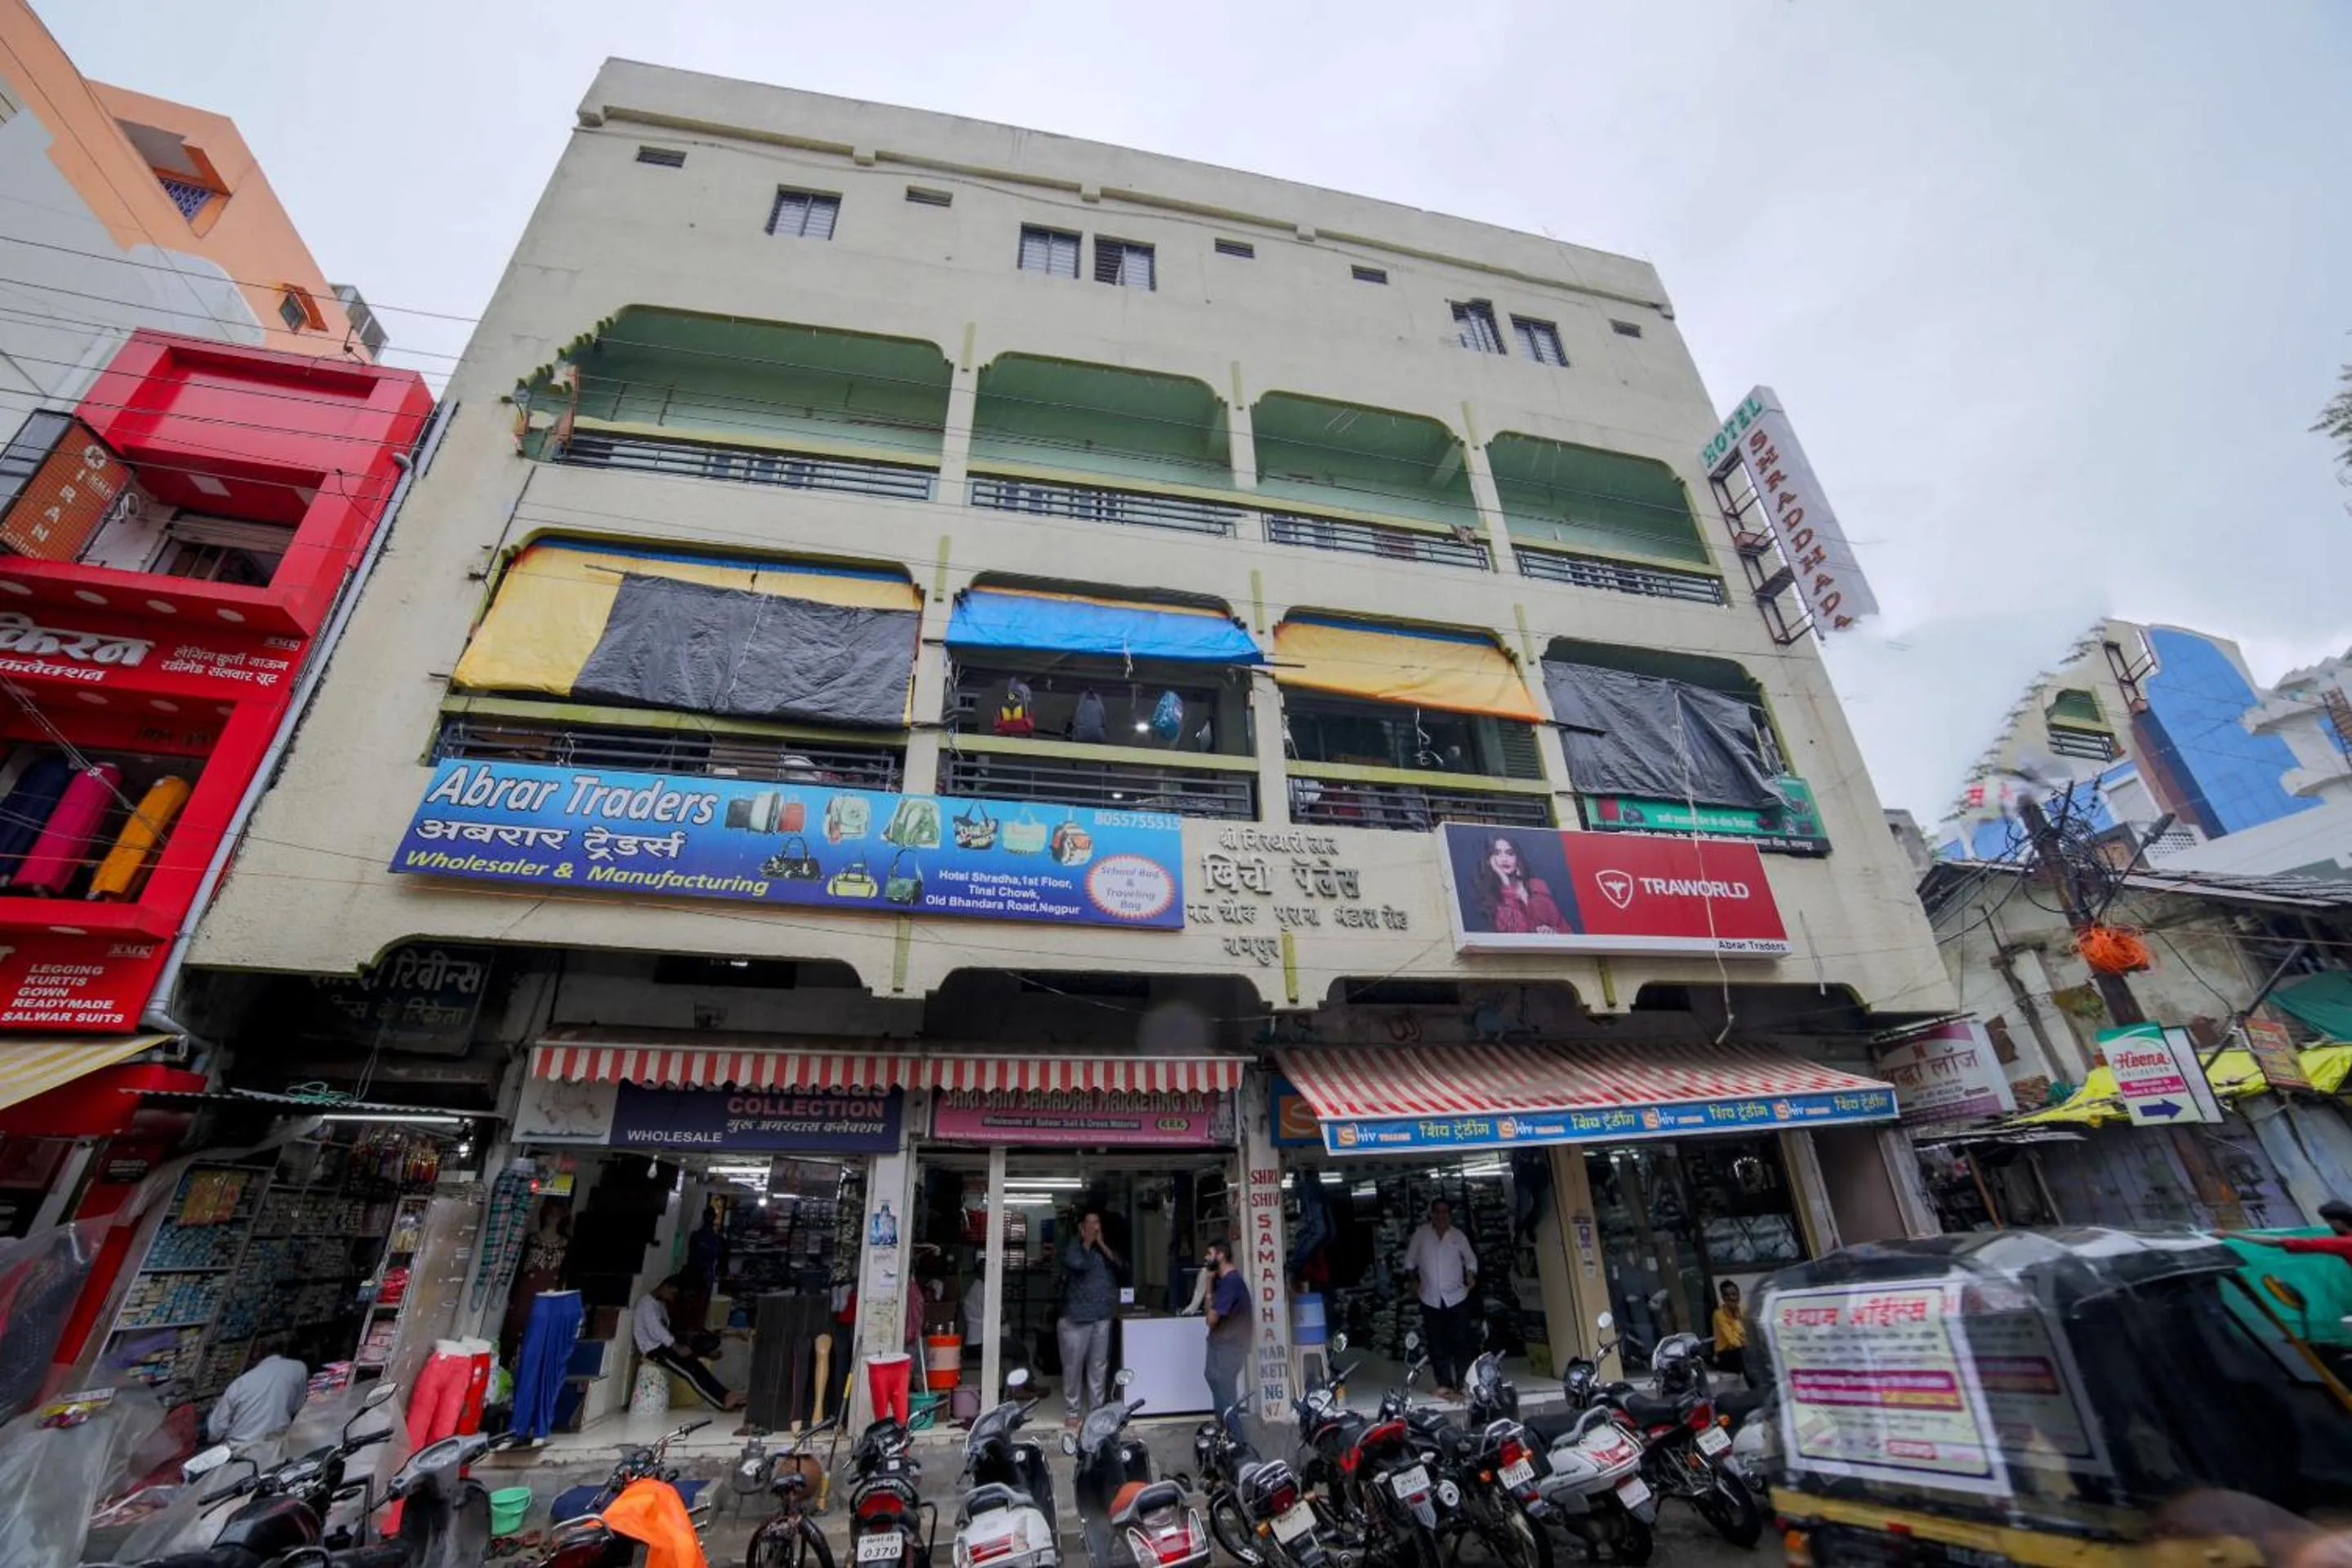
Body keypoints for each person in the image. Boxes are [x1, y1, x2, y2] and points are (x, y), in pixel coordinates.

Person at [1401, 1198, 1478, 1398]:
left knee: (1461, 1342)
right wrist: (1413, 1281)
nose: (1441, 1216)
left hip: (1457, 1298)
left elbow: (1471, 1260)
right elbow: (1409, 1262)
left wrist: (1470, 1275)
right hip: (1430, 1298)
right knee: (1437, 1343)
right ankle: (1444, 1383)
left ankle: (1463, 1383)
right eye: (1437, 1212)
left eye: (1444, 1212)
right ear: (1431, 1214)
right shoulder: (1421, 1235)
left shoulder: (1457, 1236)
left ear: (1449, 1215)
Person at [635, 1274, 745, 1411]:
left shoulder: (658, 1305)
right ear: (666, 1287)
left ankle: (726, 1394)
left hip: (664, 1346)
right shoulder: (646, 1304)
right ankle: (721, 1403)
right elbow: (656, 1330)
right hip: (655, 1350)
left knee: (697, 1366)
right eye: (672, 1294)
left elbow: (667, 1328)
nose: (672, 1298)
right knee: (690, 1373)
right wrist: (675, 1346)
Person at [1058, 1209, 1120, 1419]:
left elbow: (1120, 1267)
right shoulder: (1074, 1248)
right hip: (1077, 1318)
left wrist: (1101, 1244)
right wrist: (1087, 1242)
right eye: (1090, 1223)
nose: (1095, 1227)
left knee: (1098, 1367)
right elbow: (1078, 1265)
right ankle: (1072, 1412)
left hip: (1101, 1316)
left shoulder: (1103, 1250)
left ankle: (1096, 1411)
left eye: (1098, 1223)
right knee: (1073, 1367)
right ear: (1081, 1227)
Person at [1466, 835, 1570, 935]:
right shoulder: (1489, 895)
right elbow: (1516, 930)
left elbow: (1566, 931)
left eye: (1510, 853)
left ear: (1517, 858)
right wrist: (1505, 882)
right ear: (1490, 860)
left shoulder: (1537, 886)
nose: (1504, 859)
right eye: (1497, 853)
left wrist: (1552, 932)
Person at [208, 1348, 308, 1450]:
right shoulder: (298, 1368)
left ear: (254, 1358)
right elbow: (298, 1407)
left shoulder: (240, 1384)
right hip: (277, 1443)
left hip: (239, 1449)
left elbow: (215, 1433)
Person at [1201, 1241, 1251, 1441]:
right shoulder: (1222, 1282)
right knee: (1214, 1381)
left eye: (1209, 1253)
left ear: (1220, 1255)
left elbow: (1211, 1320)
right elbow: (1209, 1316)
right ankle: (1224, 1436)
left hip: (1230, 1347)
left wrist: (1209, 1290)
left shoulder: (1231, 1283)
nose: (1206, 1258)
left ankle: (1238, 1442)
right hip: (1220, 1344)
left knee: (1227, 1396)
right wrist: (1208, 1284)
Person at [2239, 1198, 2352, 1259]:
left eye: (2329, 1222)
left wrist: (2233, 1235)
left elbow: (2281, 1242)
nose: (2329, 1226)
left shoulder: (2344, 1243)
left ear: (2339, 1222)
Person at [1711, 1280, 1748, 1383]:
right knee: (1744, 1353)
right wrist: (1737, 1322)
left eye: (1734, 1294)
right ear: (1723, 1298)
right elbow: (1733, 1341)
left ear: (1739, 1295)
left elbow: (1749, 1332)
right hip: (1725, 1354)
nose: (1732, 1298)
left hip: (1741, 1350)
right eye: (1727, 1295)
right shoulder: (1719, 1314)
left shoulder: (1743, 1309)